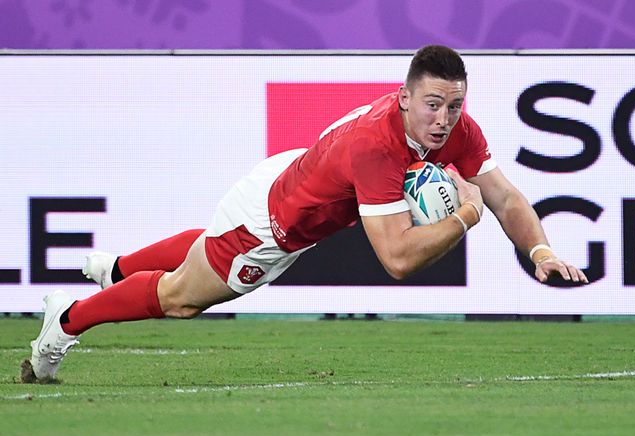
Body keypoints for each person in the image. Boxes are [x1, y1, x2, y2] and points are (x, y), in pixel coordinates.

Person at [21, 45, 588, 383]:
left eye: (454, 106)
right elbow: (395, 258)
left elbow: (506, 196)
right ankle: (66, 319)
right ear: (404, 97)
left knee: (206, 249)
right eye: (433, 105)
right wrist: (463, 217)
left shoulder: (455, 130)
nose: (444, 119)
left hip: (289, 176)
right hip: (272, 226)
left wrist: (539, 250)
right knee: (181, 298)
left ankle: (116, 269)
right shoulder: (377, 146)